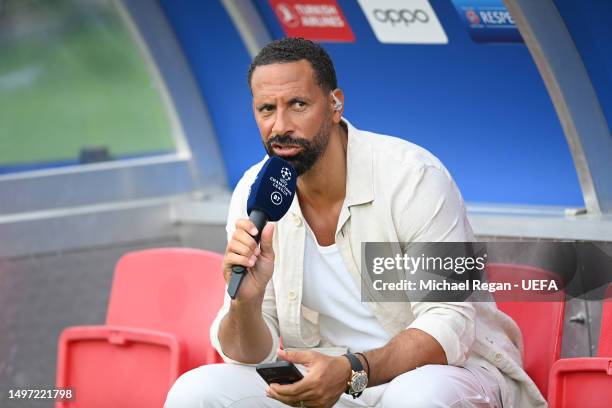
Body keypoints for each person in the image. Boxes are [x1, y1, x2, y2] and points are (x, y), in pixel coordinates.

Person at [165, 38, 546, 408]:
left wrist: (351, 371)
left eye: (298, 104)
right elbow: (250, 355)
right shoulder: (253, 191)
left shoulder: (413, 177)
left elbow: (449, 323)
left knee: (417, 399)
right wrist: (245, 304)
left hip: (438, 373)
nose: (280, 125)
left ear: (334, 104)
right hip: (319, 382)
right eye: (267, 109)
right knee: (196, 391)